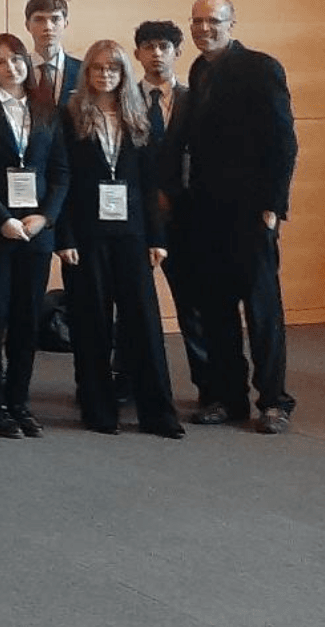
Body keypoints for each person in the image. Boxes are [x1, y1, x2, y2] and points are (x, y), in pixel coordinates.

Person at [165, 0, 297, 433]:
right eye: (197, 21)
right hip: (209, 215)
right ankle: (230, 398)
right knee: (217, 310)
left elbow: (283, 141)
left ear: (232, 22)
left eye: (213, 20)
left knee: (261, 313)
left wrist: (273, 209)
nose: (204, 28)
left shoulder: (261, 67)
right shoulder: (200, 70)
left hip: (251, 215)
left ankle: (274, 402)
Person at [53, 41, 183, 438]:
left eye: (113, 69)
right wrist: (65, 236)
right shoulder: (70, 117)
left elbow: (149, 186)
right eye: (97, 68)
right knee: (92, 323)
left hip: (132, 235)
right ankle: (99, 410)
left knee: (143, 323)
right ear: (87, 73)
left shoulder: (137, 117)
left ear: (124, 74)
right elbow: (63, 182)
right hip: (86, 237)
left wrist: (156, 237)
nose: (105, 75)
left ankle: (158, 413)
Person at [0, 33, 69, 440]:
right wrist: (2, 218)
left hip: (35, 236)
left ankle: (19, 402)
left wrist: (46, 217)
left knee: (26, 322)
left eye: (17, 59)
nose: (11, 67)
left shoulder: (46, 111)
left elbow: (60, 173)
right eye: (0, 62)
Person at [133, 20, 206, 409]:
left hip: (186, 218)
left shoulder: (196, 99)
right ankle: (127, 380)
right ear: (137, 54)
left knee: (192, 304)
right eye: (148, 46)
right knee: (131, 302)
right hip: (136, 219)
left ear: (178, 52)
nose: (156, 53)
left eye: (164, 46)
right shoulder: (124, 100)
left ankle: (209, 388)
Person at [23, 0, 79, 108]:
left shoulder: (83, 71)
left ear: (65, 24)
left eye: (55, 19)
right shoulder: (16, 70)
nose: (48, 27)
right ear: (27, 25)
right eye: (39, 19)